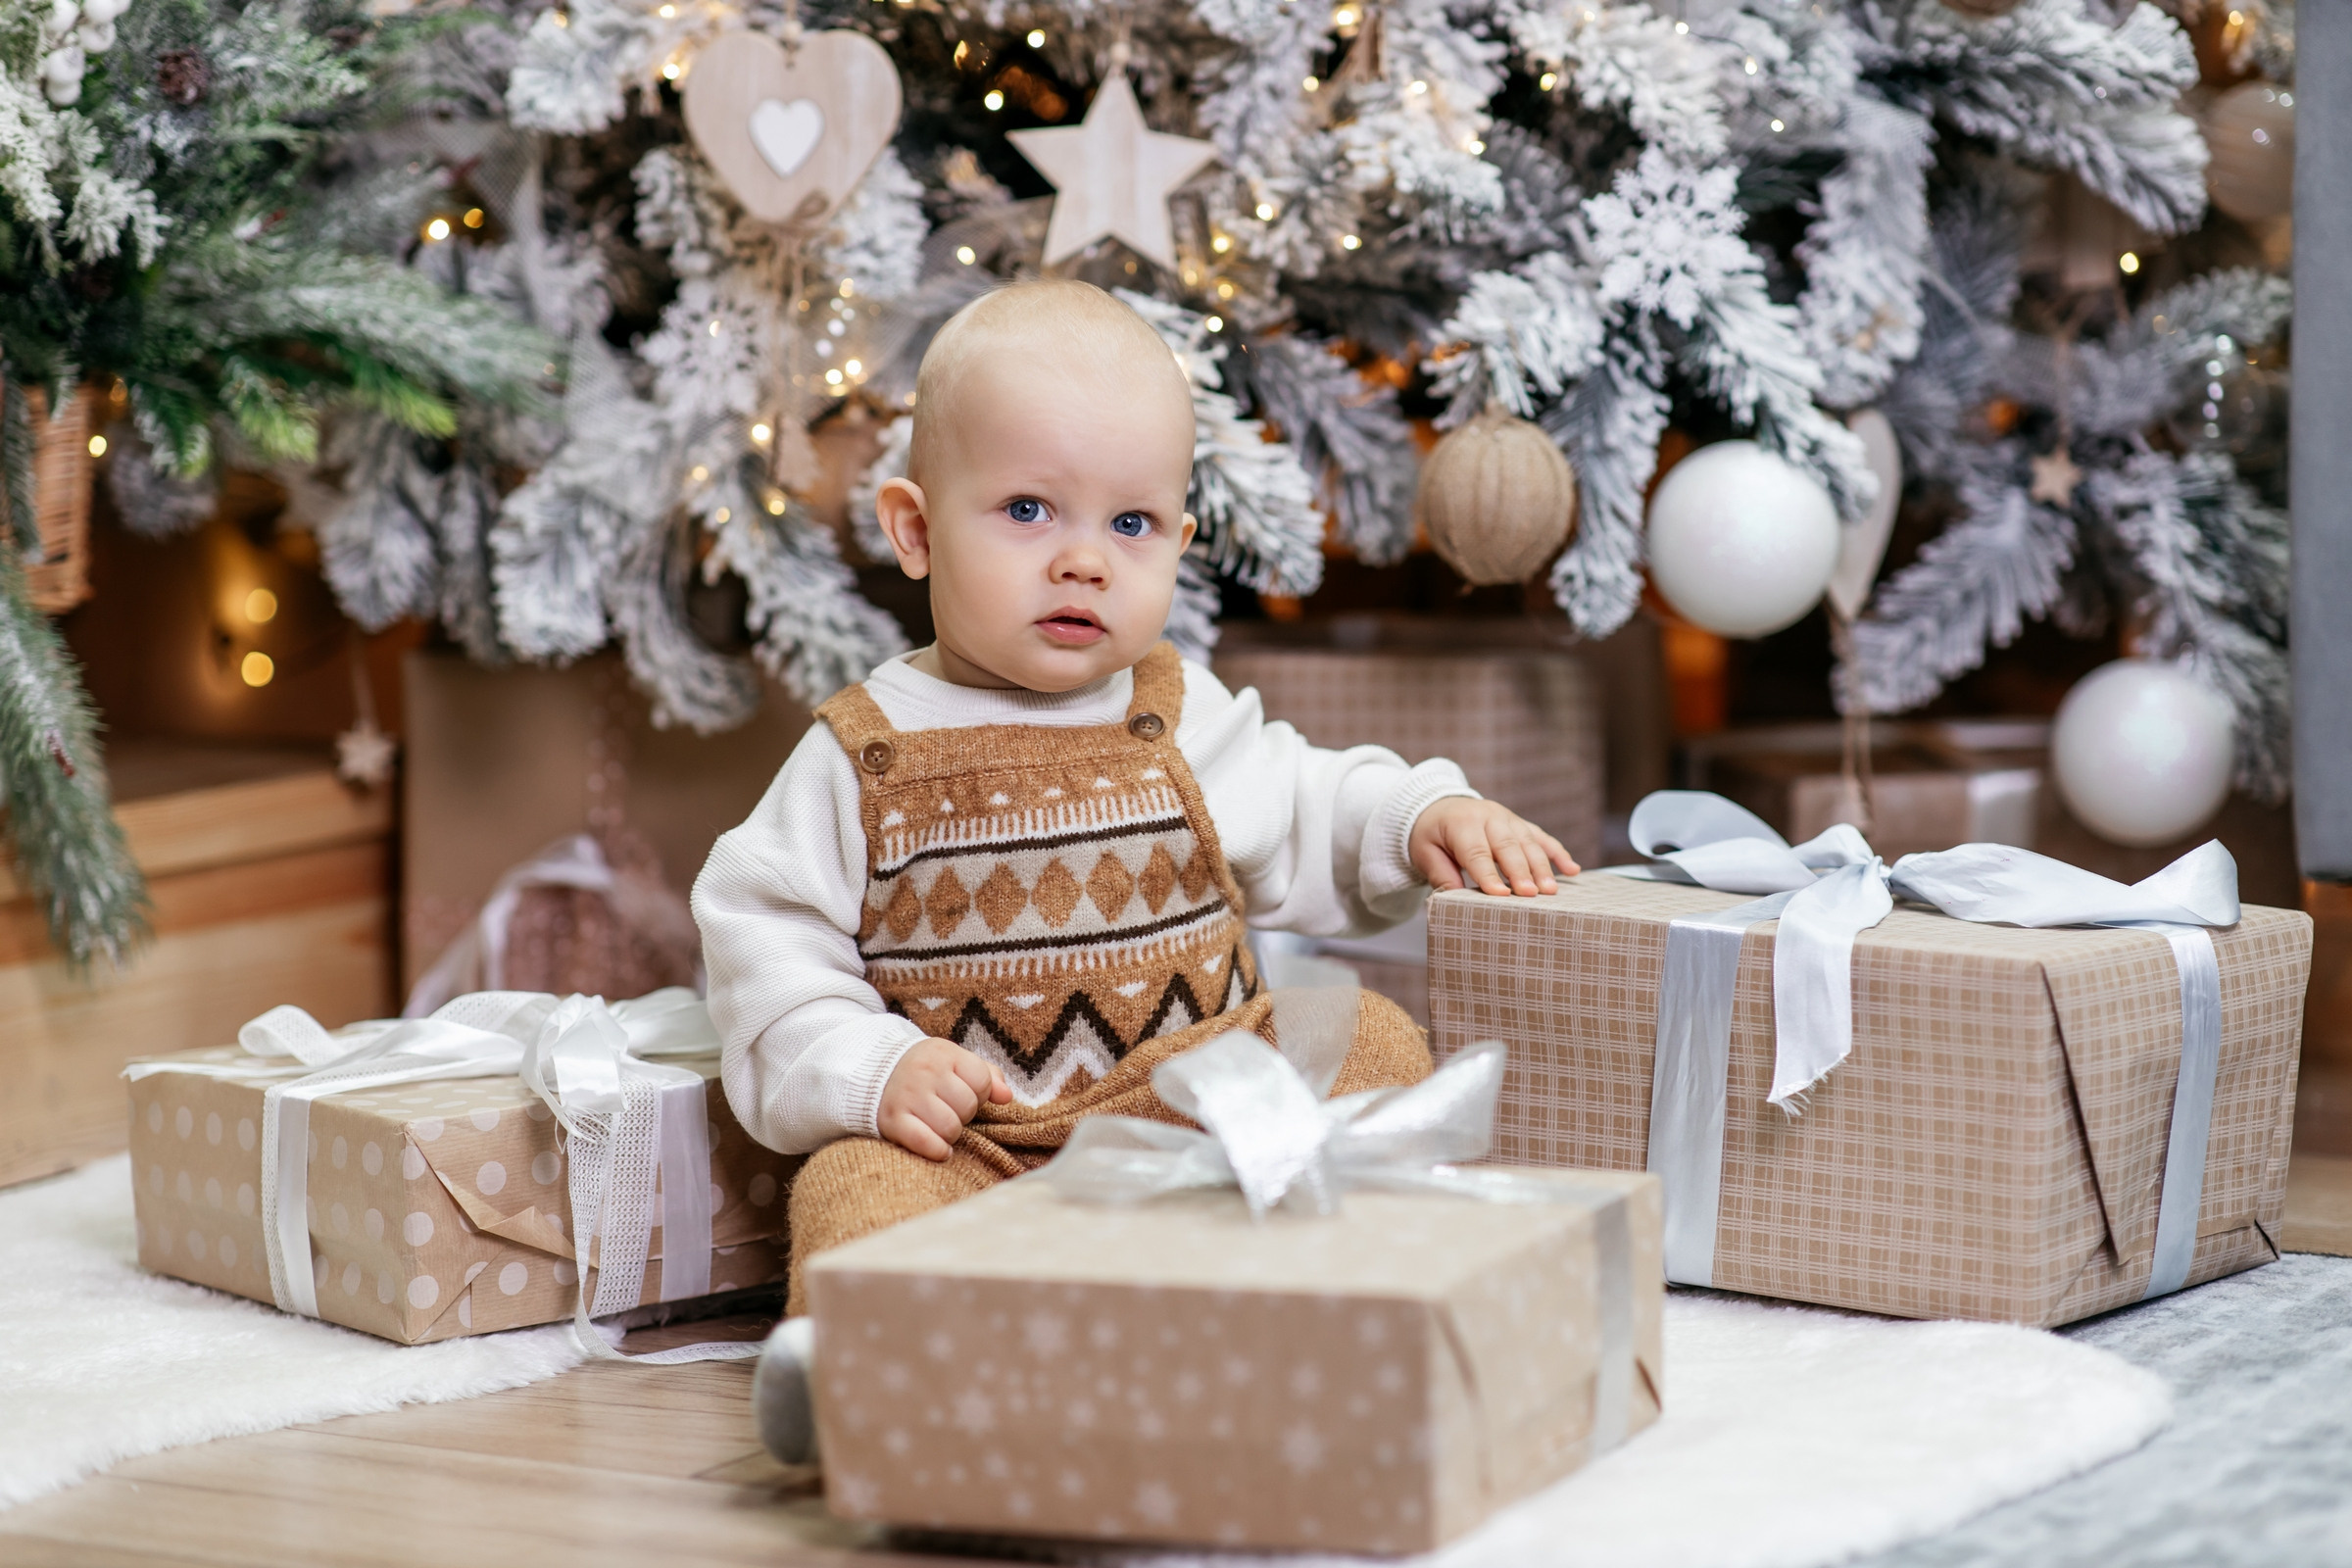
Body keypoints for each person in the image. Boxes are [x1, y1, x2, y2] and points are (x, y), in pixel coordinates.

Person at [691, 278, 1578, 1463]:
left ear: (1179, 544)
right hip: (978, 1142)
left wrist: (1420, 813)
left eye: (1132, 524)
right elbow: (764, 939)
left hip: (1193, 1113)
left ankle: (1353, 1292)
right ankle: (858, 1366)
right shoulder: (864, 750)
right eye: (1027, 510)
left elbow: (1307, 800)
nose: (1084, 562)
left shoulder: (1174, 715)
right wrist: (873, 1066)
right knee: (853, 1184)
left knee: (1368, 1036)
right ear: (915, 529)